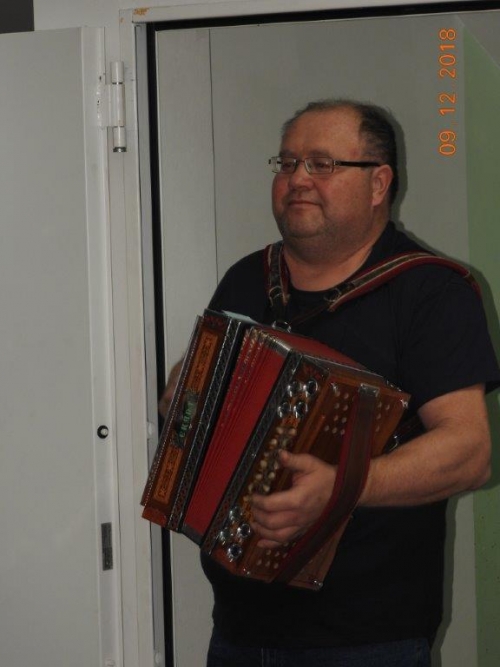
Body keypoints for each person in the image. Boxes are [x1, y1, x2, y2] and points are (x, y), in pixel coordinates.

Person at [165, 99, 500, 666]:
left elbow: (469, 453)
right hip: (238, 629)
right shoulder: (248, 277)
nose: (297, 178)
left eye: (322, 164)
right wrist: (186, 390)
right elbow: (194, 393)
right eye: (287, 162)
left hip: (368, 637)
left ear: (378, 184)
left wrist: (341, 488)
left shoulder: (431, 291)